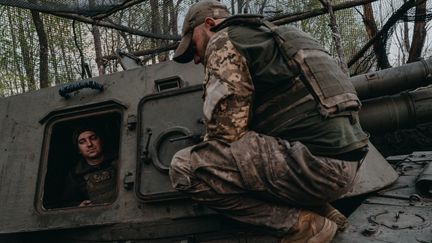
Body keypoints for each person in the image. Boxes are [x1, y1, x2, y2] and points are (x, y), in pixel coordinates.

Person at [169, 0, 369, 242]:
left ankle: (302, 226)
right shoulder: (280, 35)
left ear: (210, 24)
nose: (196, 59)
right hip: (350, 166)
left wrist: (205, 140)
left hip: (317, 169)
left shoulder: (223, 41)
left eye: (194, 47)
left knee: (184, 167)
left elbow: (226, 132)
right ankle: (322, 209)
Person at [62, 126, 117, 207]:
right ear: (78, 150)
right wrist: (79, 206)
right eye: (82, 142)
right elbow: (67, 203)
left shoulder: (119, 161)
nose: (89, 144)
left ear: (100, 141)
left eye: (93, 138)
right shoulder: (75, 175)